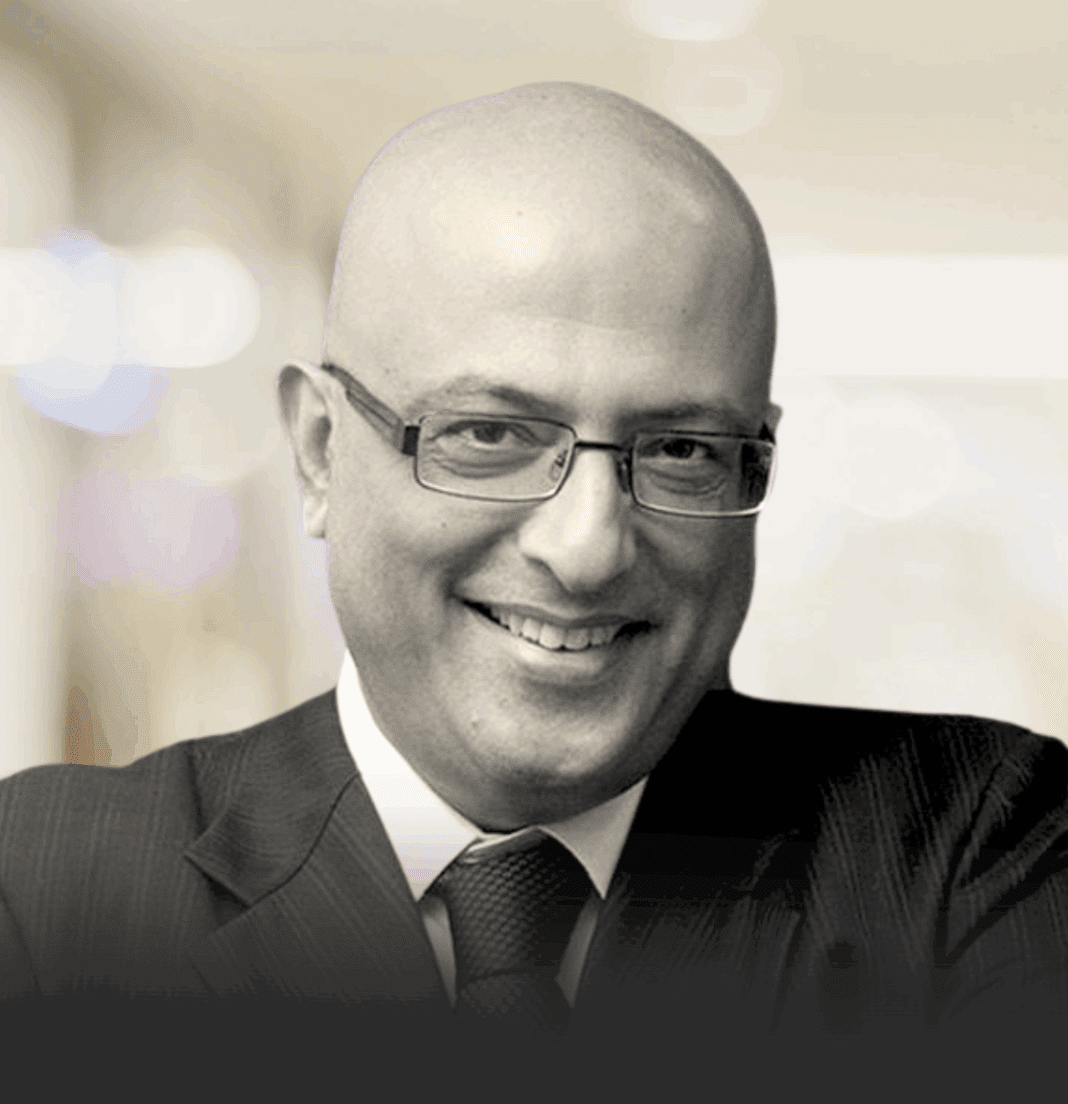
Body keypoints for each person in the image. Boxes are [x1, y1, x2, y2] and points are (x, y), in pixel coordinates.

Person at [1, 82, 1066, 1099]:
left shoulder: (967, 856)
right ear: (320, 451)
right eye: (489, 435)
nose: (588, 548)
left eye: (683, 449)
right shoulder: (41, 891)